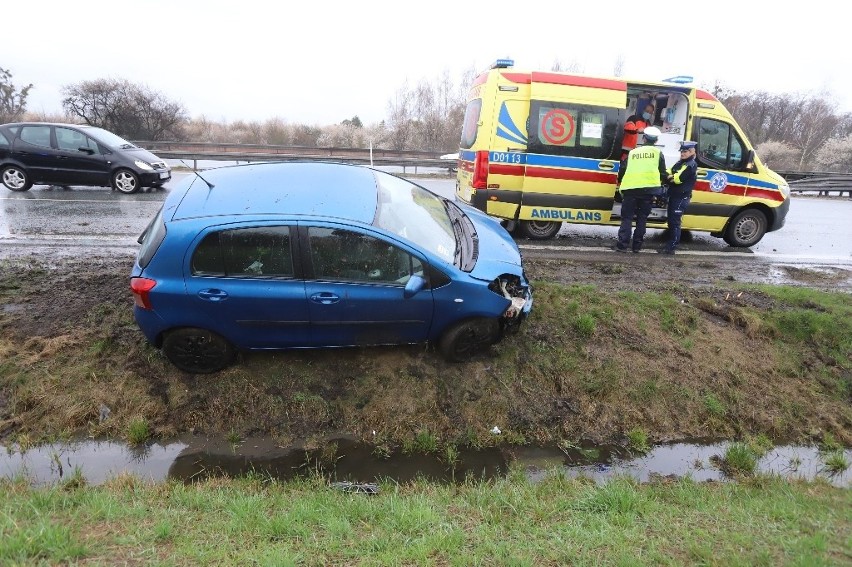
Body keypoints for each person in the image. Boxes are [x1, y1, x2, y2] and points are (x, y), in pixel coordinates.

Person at [613, 126, 667, 253]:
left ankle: (622, 246)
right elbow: (662, 173)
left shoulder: (632, 153)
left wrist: (621, 180)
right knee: (642, 219)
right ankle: (637, 247)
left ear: (643, 138)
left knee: (627, 218)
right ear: (656, 140)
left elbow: (622, 169)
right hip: (648, 192)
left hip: (630, 190)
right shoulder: (658, 153)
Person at [658, 141, 698, 254]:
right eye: (681, 151)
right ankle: (670, 244)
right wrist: (669, 176)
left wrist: (669, 177)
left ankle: (671, 248)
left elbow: (677, 179)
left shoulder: (691, 165)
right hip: (675, 196)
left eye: (685, 151)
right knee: (671, 221)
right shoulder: (681, 163)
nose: (682, 153)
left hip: (681, 198)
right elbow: (668, 172)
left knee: (675, 223)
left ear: (691, 152)